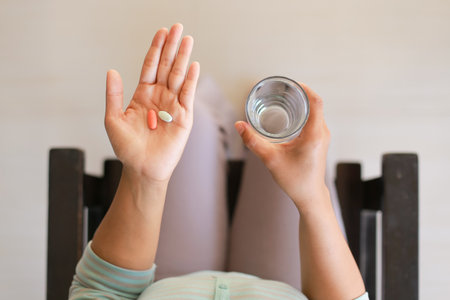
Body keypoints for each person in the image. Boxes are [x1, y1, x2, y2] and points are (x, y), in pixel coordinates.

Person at [69, 23, 368, 300]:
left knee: (193, 122)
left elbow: (102, 290)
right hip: (288, 286)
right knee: (286, 130)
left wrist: (147, 177)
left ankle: (218, 123)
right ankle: (249, 129)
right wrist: (312, 196)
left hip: (166, 281)